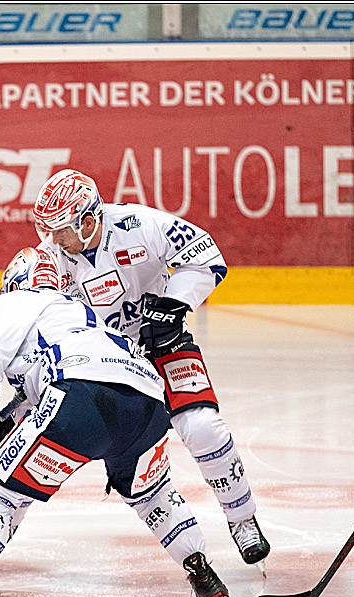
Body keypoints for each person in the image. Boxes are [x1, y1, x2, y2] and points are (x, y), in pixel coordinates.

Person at [0, 247, 233, 597]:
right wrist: (0, 430)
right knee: (153, 494)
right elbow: (36, 399)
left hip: (80, 400)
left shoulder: (13, 303)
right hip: (148, 404)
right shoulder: (82, 315)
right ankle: (202, 573)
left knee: (2, 492)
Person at [35, 169, 270, 572]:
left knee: (203, 427)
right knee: (138, 465)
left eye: (60, 230)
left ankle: (242, 518)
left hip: (163, 344)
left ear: (87, 220)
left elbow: (207, 257)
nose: (53, 240)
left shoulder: (139, 225)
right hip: (106, 365)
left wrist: (175, 304)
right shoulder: (51, 260)